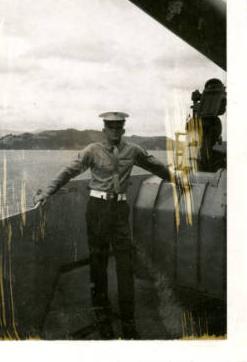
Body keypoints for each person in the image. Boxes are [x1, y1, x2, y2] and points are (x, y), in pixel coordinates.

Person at [33, 112, 174, 339]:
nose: (114, 131)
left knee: (125, 266)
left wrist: (180, 181)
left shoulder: (133, 150)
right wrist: (47, 192)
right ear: (104, 129)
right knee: (98, 266)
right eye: (110, 127)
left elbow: (155, 165)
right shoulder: (92, 150)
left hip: (119, 211)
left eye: (118, 127)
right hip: (97, 210)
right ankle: (102, 319)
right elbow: (69, 170)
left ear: (124, 129)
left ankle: (129, 322)